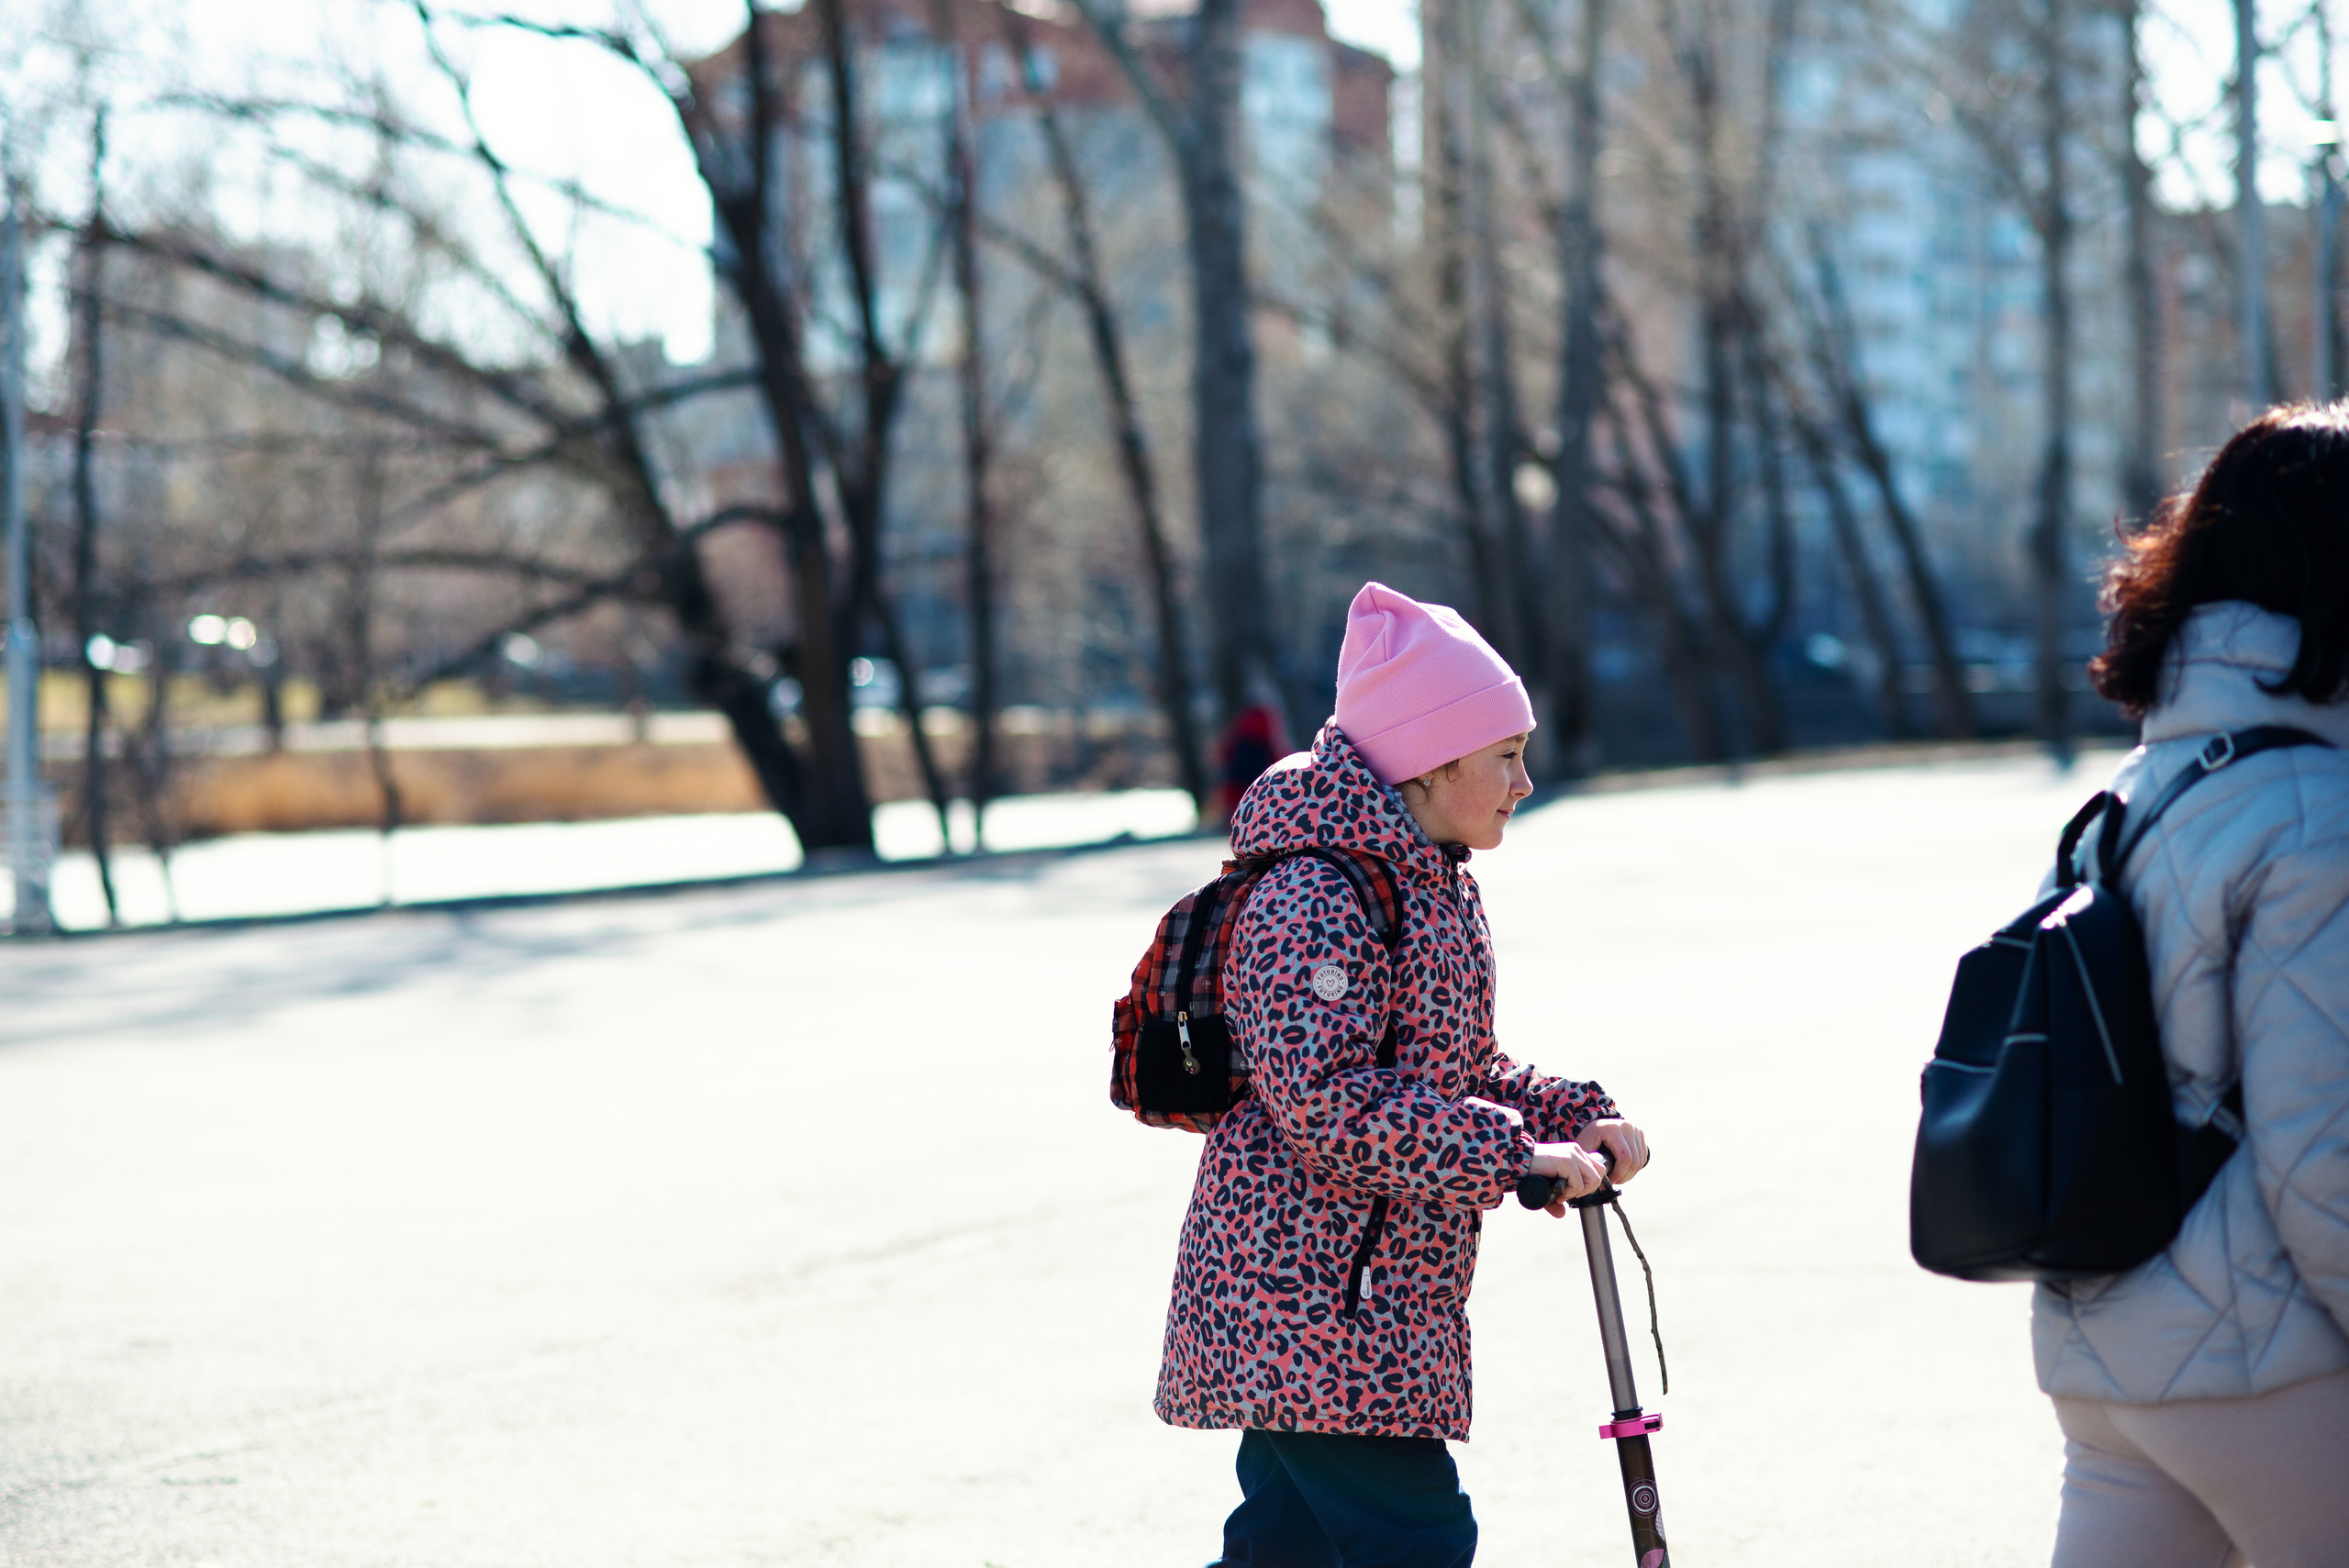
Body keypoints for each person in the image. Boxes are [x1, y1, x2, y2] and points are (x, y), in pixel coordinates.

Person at [1157, 581, 1651, 1568]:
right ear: (1427, 760)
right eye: (1505, 756)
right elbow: (1329, 1101)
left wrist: (1573, 1115)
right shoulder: (1314, 890)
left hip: (1359, 1299)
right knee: (1416, 1541)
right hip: (1309, 1300)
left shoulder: (1427, 879)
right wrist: (1513, 1154)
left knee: (1285, 1553)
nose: (1524, 780)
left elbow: (1459, 1070)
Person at [2039, 404, 2349, 1568]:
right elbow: (2328, 1154)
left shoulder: (2132, 789)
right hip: (2271, 1362)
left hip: (2107, 1354)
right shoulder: (2318, 811)